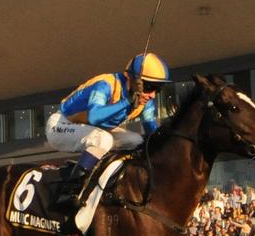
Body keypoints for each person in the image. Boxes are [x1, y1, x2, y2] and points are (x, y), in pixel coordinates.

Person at [46, 52, 170, 209]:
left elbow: (151, 132)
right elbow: (94, 117)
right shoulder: (106, 84)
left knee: (138, 141)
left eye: (157, 89)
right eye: (149, 87)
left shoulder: (145, 102)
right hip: (61, 125)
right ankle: (69, 191)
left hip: (96, 129)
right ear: (132, 79)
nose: (152, 95)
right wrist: (127, 102)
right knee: (103, 139)